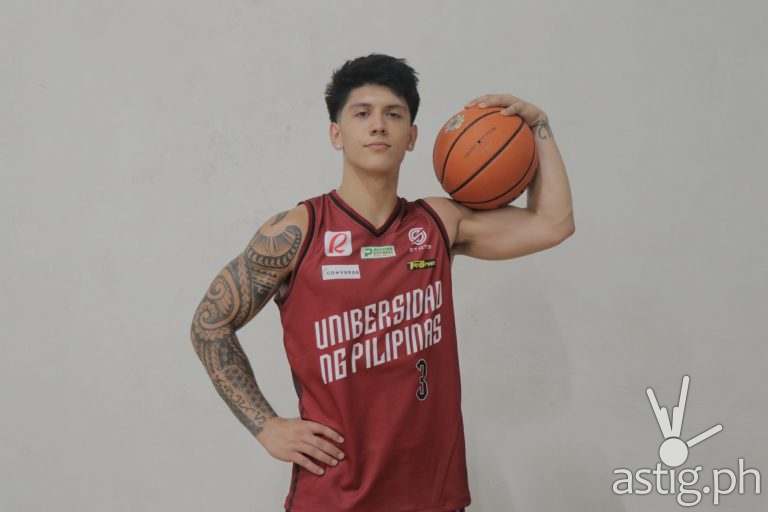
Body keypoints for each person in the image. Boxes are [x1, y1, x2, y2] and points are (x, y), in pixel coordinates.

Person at [190, 53, 574, 512]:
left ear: (412, 137)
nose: (378, 125)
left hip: (432, 496)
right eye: (362, 113)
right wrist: (266, 426)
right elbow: (210, 324)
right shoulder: (298, 230)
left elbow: (553, 222)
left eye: (393, 114)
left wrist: (539, 127)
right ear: (336, 133)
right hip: (333, 498)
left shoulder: (438, 223)